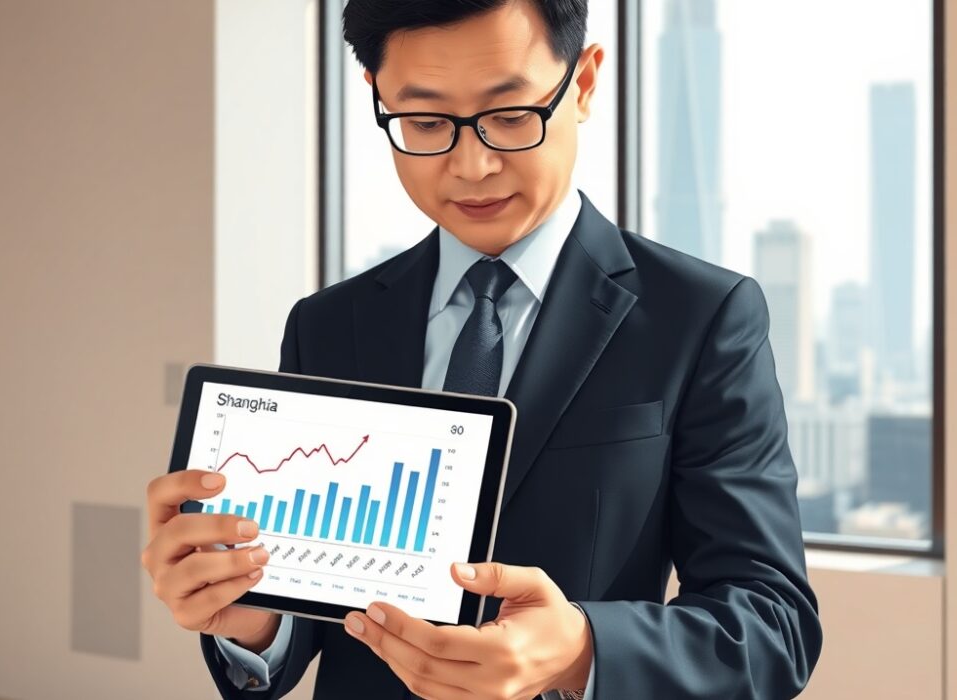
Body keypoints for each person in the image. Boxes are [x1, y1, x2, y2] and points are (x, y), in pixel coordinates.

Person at [141, 1, 822, 698]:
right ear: (380, 98)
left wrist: (581, 649)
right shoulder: (328, 323)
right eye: (428, 123)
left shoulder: (701, 317)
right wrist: (253, 618)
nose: (472, 165)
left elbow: (773, 624)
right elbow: (305, 618)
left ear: (582, 85)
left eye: (510, 116)